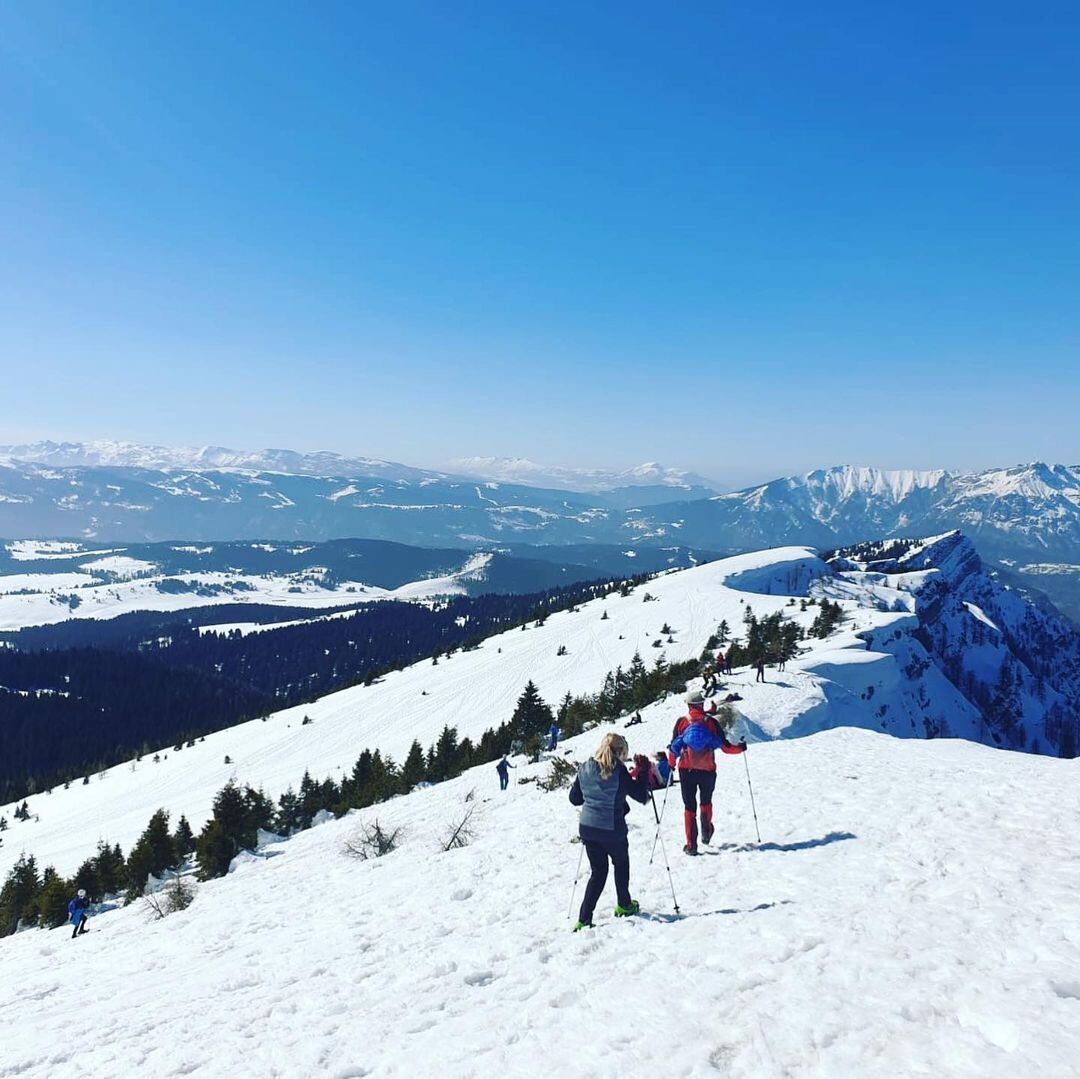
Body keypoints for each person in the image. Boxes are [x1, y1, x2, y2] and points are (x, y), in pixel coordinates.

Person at [568, 733, 649, 930]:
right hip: (611, 828)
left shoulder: (585, 767)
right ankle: (624, 904)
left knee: (598, 872)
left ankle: (584, 919)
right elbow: (642, 796)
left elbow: (575, 799)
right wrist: (643, 771)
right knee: (621, 864)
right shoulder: (619, 771)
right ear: (620, 752)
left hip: (587, 828)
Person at [668, 690, 746, 855]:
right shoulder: (711, 723)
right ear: (701, 705)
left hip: (686, 770)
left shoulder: (681, 722)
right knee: (706, 802)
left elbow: (673, 748)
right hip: (707, 770)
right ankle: (706, 830)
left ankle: (691, 846)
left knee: (689, 807)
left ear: (689, 705)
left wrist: (671, 765)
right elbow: (725, 747)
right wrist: (740, 748)